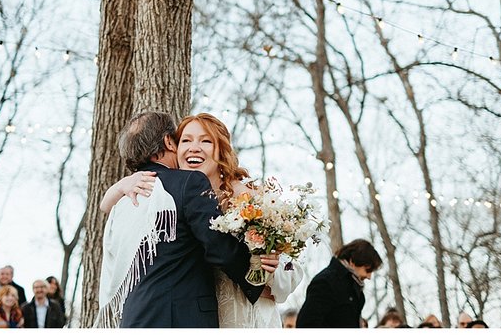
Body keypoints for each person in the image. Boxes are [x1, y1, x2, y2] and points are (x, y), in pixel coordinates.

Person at [101, 113, 294, 328]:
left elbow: (289, 267)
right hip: (187, 318)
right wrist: (253, 282)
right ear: (170, 143)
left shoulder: (128, 196)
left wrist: (267, 269)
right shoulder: (179, 187)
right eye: (185, 140)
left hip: (236, 315)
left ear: (221, 149)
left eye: (205, 140)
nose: (194, 147)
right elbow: (220, 250)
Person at [296, 239, 383, 328]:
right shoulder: (326, 282)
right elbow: (307, 324)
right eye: (368, 270)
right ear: (353, 261)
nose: (369, 276)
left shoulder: (353, 286)